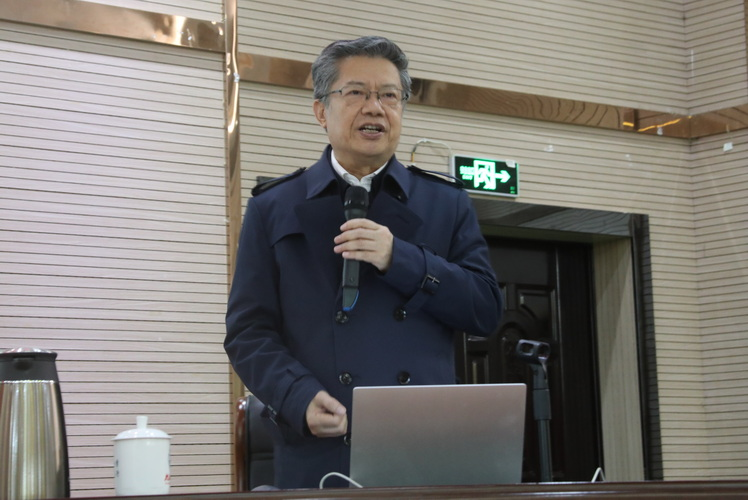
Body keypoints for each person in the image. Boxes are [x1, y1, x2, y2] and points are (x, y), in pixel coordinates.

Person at [225, 35, 503, 489]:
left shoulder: (445, 203)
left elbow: (486, 310)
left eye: (389, 95)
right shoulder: (273, 207)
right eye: (356, 92)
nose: (375, 107)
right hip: (322, 445)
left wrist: (402, 258)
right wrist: (297, 395)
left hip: (424, 448)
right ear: (321, 111)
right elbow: (248, 332)